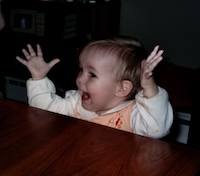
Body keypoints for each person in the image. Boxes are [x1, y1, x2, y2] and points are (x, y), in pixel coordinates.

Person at [16, 36, 173, 139]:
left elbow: (157, 129)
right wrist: (39, 78)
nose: (79, 79)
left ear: (121, 88)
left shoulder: (133, 116)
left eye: (92, 74)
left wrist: (149, 86)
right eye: (81, 69)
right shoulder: (74, 103)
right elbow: (43, 110)